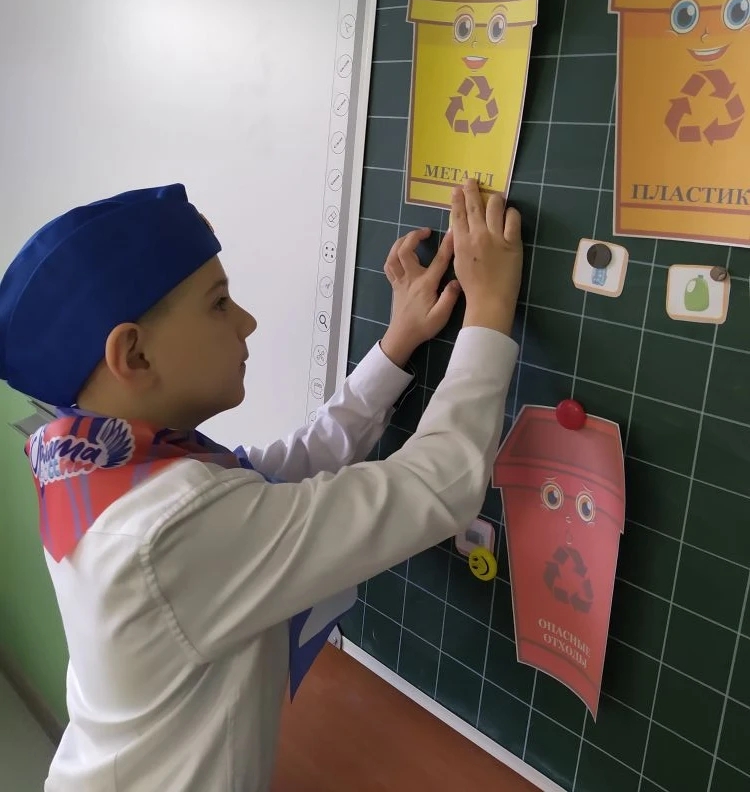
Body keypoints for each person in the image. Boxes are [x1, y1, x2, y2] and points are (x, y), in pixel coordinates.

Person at [0, 177, 522, 792]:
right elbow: (438, 485)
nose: (246, 322)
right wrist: (489, 313)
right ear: (134, 356)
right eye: (219, 303)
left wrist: (398, 342)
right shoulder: (167, 529)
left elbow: (289, 465)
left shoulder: (93, 465)